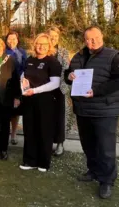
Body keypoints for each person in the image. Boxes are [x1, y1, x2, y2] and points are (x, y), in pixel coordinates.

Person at [65, 26, 119, 199]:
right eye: (89, 39)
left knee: (105, 147)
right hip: (83, 109)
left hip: (105, 110)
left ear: (102, 37)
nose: (93, 42)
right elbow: (68, 75)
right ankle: (93, 171)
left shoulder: (114, 56)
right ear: (84, 40)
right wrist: (69, 77)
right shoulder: (78, 56)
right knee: (88, 144)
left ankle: (107, 180)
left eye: (96, 38)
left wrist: (97, 91)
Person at [19, 33, 61, 172]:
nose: (40, 46)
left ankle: (43, 162)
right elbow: (23, 75)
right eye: (38, 43)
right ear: (34, 45)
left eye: (44, 44)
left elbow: (55, 83)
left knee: (44, 130)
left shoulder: (52, 62)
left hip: (46, 102)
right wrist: (22, 82)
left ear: (49, 46)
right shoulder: (30, 59)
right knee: (29, 129)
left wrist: (35, 91)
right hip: (29, 101)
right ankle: (30, 160)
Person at [46, 27, 70, 156]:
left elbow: (66, 69)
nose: (53, 38)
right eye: (50, 36)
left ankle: (60, 143)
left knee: (60, 116)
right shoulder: (43, 50)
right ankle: (47, 142)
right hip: (45, 89)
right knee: (46, 117)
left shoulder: (63, 52)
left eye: (55, 36)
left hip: (59, 89)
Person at [5, 31, 27, 146]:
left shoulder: (22, 52)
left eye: (14, 39)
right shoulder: (3, 51)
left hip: (18, 86)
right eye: (9, 39)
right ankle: (1, 132)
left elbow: (26, 68)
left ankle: (13, 134)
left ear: (18, 40)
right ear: (6, 40)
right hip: (5, 85)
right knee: (3, 111)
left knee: (15, 111)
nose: (12, 41)